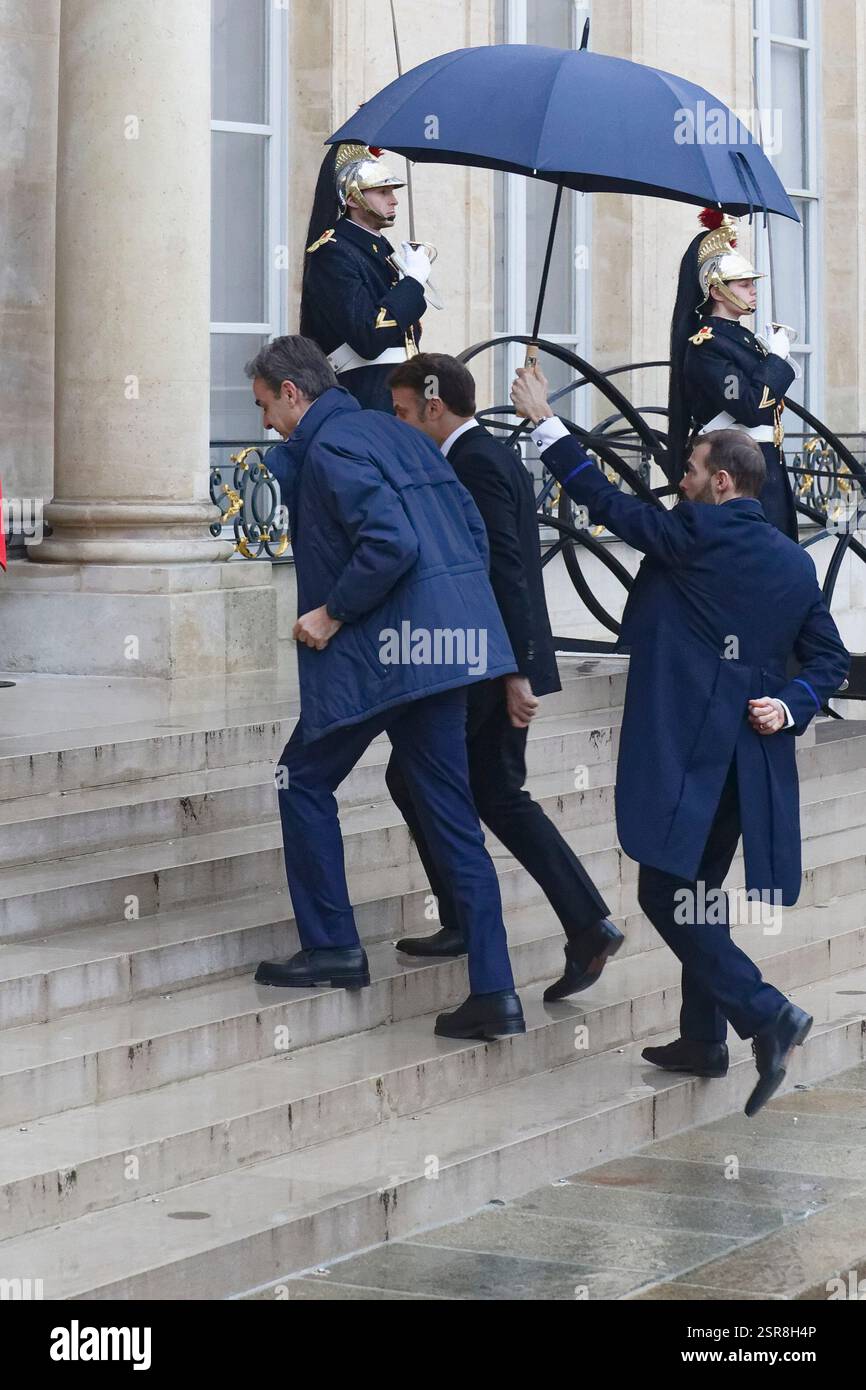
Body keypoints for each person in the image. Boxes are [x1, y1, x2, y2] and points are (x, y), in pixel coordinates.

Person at [511, 364, 849, 1118]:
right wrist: (791, 705)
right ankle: (703, 1039)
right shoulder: (794, 561)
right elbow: (829, 660)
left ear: (723, 483)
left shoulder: (696, 532)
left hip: (698, 753)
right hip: (751, 762)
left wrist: (545, 423)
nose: (679, 481)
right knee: (697, 894)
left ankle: (766, 1014)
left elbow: (604, 501)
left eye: (690, 470)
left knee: (665, 892)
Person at [245, 335, 525, 1042]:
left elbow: (390, 545)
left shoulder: (335, 449)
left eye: (265, 408)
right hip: (444, 651)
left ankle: (334, 946)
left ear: (293, 393)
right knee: (455, 819)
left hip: (385, 657)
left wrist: (331, 612)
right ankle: (496, 992)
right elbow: (469, 530)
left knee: (300, 779)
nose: (266, 425)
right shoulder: (391, 432)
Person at [388, 353, 622, 1000]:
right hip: (490, 660)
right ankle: (571, 922)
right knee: (487, 791)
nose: (399, 423)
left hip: (491, 666)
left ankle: (568, 922)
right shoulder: (476, 457)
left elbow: (507, 569)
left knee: (428, 778)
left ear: (434, 407)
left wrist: (516, 672)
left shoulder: (476, 463)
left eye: (403, 412)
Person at [668, 208, 798, 539]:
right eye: (743, 285)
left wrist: (769, 354)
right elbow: (751, 407)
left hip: (762, 467)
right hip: (737, 474)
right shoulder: (707, 345)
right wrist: (777, 360)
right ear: (716, 290)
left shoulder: (743, 340)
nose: (753, 291)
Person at [299, 143, 432, 412]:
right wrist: (413, 282)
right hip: (364, 392)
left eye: (392, 191)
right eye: (383, 192)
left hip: (398, 388)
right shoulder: (333, 253)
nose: (393, 199)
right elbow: (369, 337)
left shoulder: (378, 249)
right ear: (352, 199)